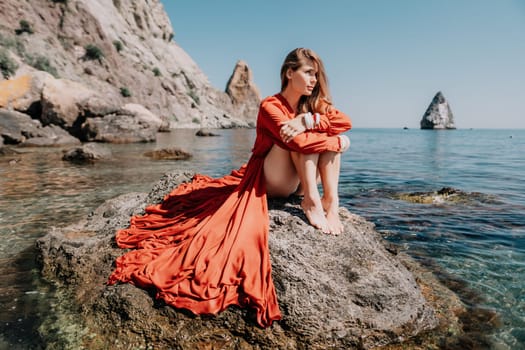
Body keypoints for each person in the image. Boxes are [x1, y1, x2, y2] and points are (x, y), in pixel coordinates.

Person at [108, 48, 352, 329]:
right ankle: (310, 201)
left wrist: (307, 120)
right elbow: (300, 145)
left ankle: (329, 202)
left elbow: (345, 121)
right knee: (308, 139)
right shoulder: (270, 106)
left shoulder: (309, 107)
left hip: (296, 177)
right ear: (289, 73)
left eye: (316, 75)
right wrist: (340, 142)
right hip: (272, 179)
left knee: (317, 131)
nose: (313, 80)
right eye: (308, 73)